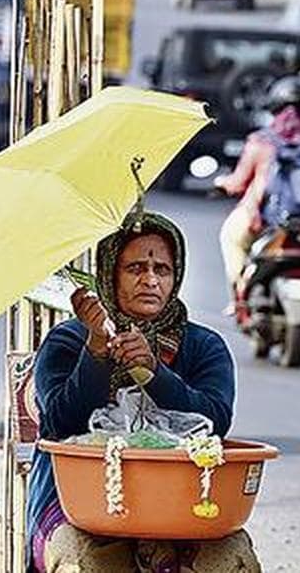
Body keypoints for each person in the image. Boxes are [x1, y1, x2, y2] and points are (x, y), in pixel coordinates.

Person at [27, 212, 260, 573]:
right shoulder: (68, 341)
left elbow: (215, 421)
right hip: (78, 506)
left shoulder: (203, 346)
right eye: (135, 268)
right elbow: (60, 422)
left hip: (182, 507)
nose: (150, 280)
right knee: (85, 562)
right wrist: (97, 349)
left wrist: (154, 373)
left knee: (230, 559)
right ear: (110, 274)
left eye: (162, 270)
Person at [214, 77, 300, 310]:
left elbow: (238, 184)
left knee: (230, 236)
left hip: (261, 220)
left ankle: (239, 294)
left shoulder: (260, 142)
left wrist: (222, 182)